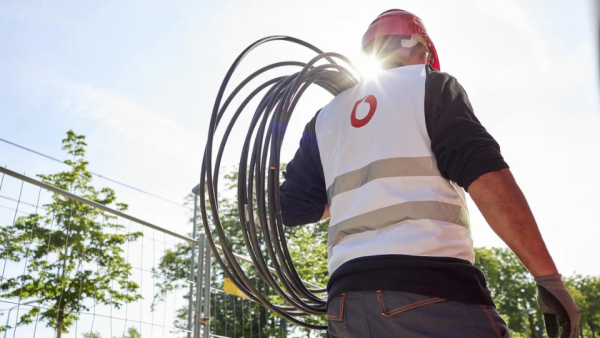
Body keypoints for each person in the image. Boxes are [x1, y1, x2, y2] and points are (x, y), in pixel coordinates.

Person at [279, 9, 580, 338]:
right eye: (425, 53)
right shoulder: (429, 84)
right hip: (430, 291)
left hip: (347, 308)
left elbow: (294, 208)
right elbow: (487, 178)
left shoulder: (325, 118)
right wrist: (547, 278)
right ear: (416, 46)